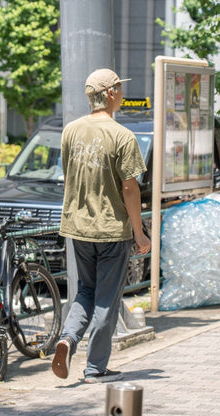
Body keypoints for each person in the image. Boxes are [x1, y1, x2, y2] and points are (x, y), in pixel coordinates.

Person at [52, 68, 151, 384]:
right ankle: (95, 368)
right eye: (120, 88)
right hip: (111, 229)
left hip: (78, 227)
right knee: (107, 297)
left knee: (86, 290)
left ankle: (67, 339)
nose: (122, 93)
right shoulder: (122, 136)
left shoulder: (71, 131)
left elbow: (69, 177)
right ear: (110, 93)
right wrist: (139, 232)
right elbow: (130, 188)